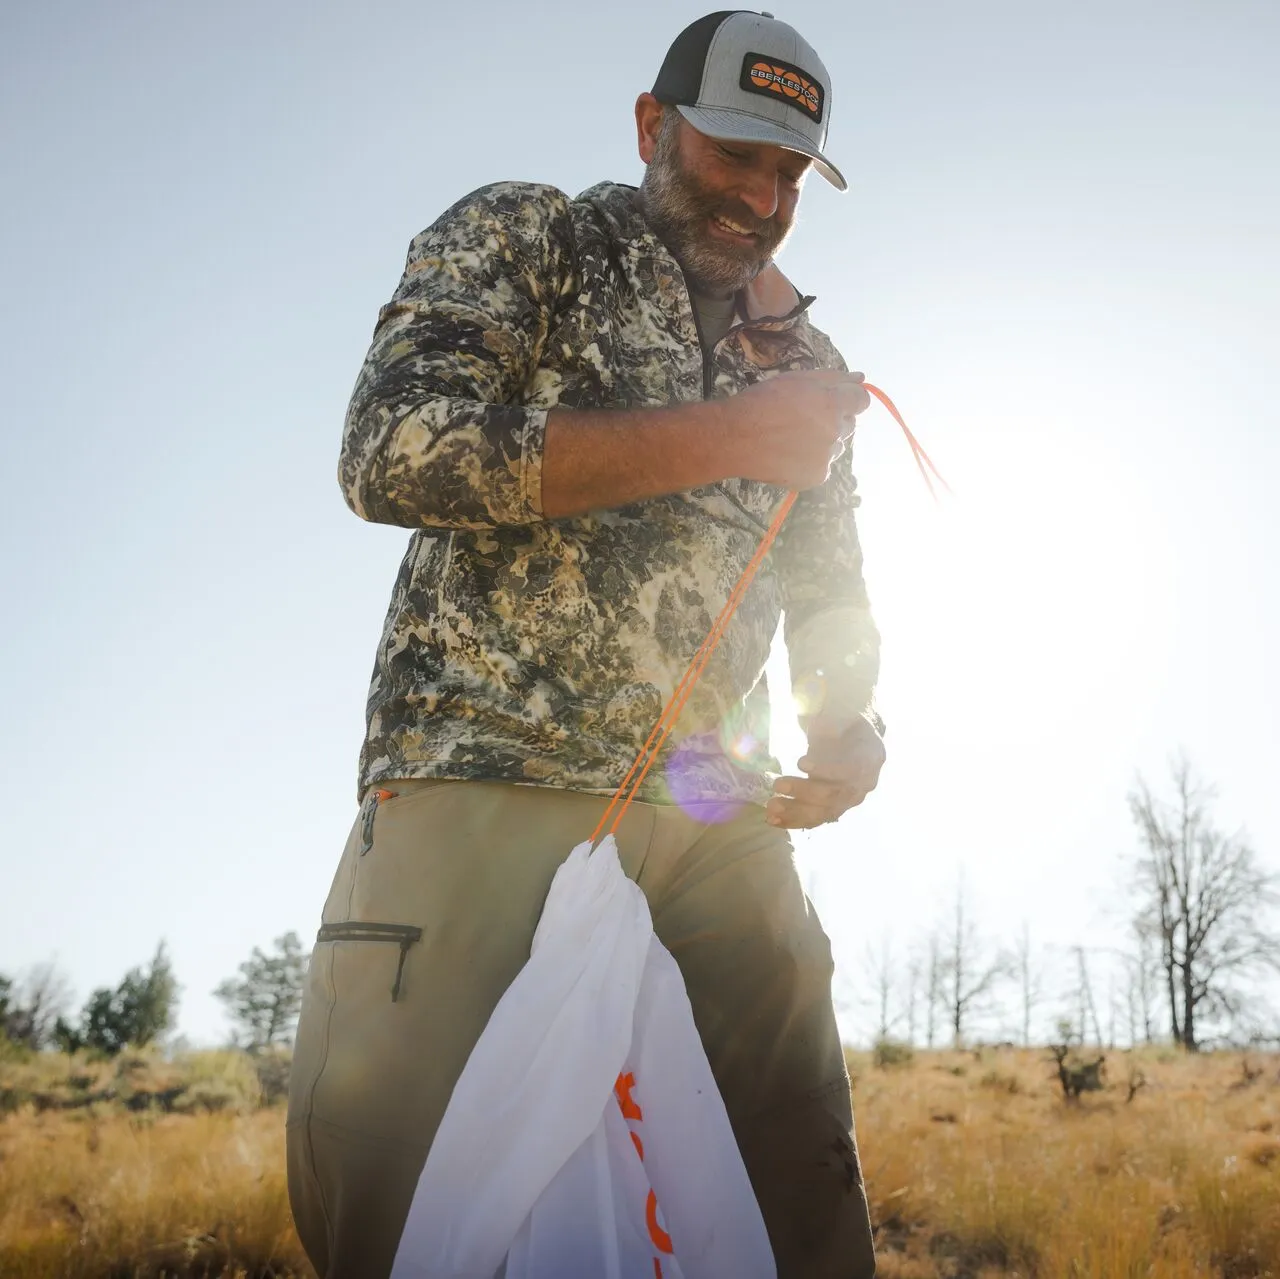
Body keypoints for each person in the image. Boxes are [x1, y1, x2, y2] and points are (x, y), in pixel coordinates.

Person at [287, 10, 884, 1277]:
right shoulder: (529, 234)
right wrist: (729, 435)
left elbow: (829, 581)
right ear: (651, 125)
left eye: (789, 173)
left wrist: (846, 722)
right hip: (477, 777)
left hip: (717, 814)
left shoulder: (810, 361)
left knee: (797, 1190)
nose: (761, 196)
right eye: (735, 153)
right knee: (406, 1195)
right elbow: (393, 447)